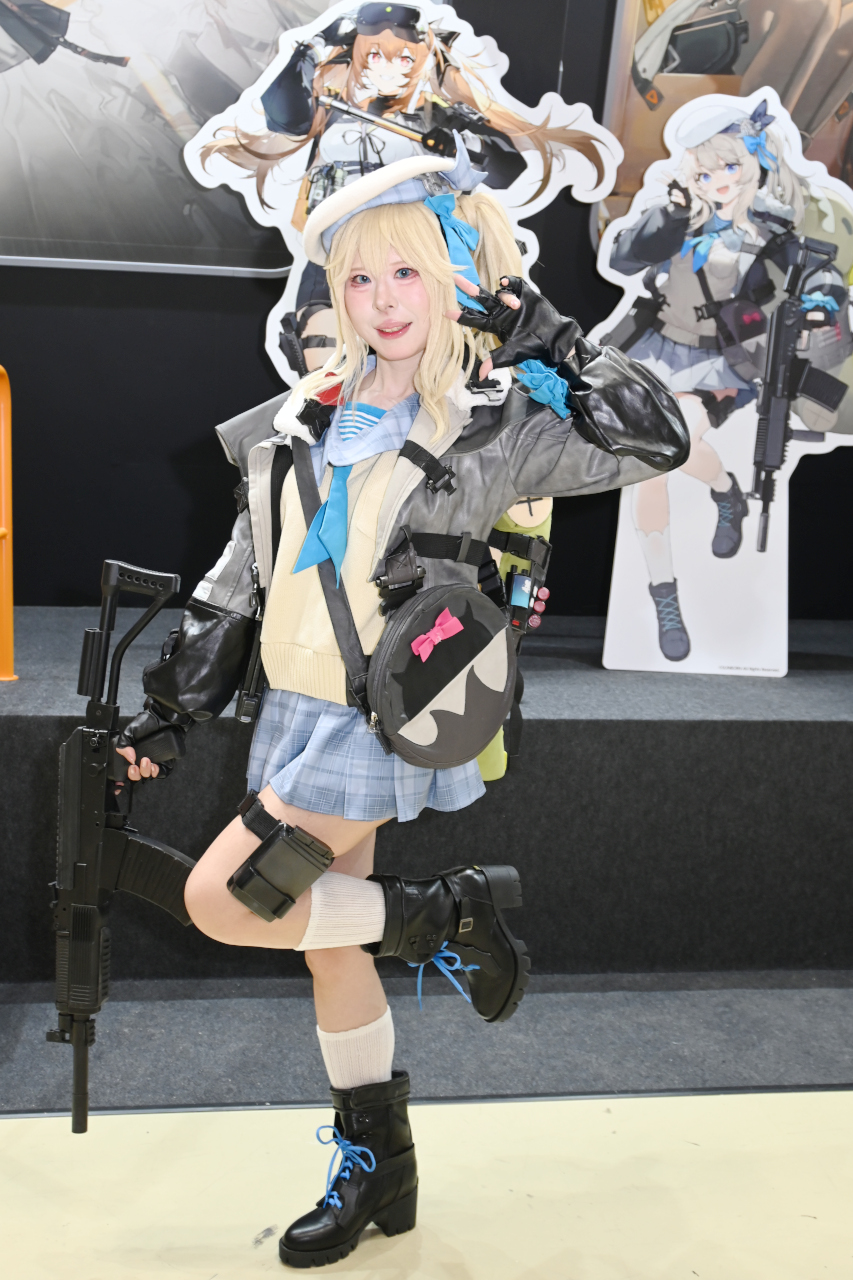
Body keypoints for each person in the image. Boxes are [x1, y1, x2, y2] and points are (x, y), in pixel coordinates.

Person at [117, 144, 688, 1267]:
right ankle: (380, 1161)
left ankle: (445, 911)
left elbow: (656, 440)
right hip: (297, 705)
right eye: (361, 277)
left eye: (407, 273)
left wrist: (559, 345)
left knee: (223, 900)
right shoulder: (301, 415)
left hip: (381, 716)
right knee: (329, 950)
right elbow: (241, 572)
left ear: (457, 277)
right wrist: (173, 706)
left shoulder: (492, 425)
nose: (382, 301)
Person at [607, 98, 852, 660]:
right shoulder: (677, 218)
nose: (717, 181)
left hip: (722, 362)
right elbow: (624, 259)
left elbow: (819, 274)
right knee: (651, 465)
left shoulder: (772, 229)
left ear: (753, 163)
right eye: (705, 171)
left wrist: (821, 303)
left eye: (730, 166)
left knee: (663, 449)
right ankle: (674, 579)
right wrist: (672, 215)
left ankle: (724, 494)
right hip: (654, 351)